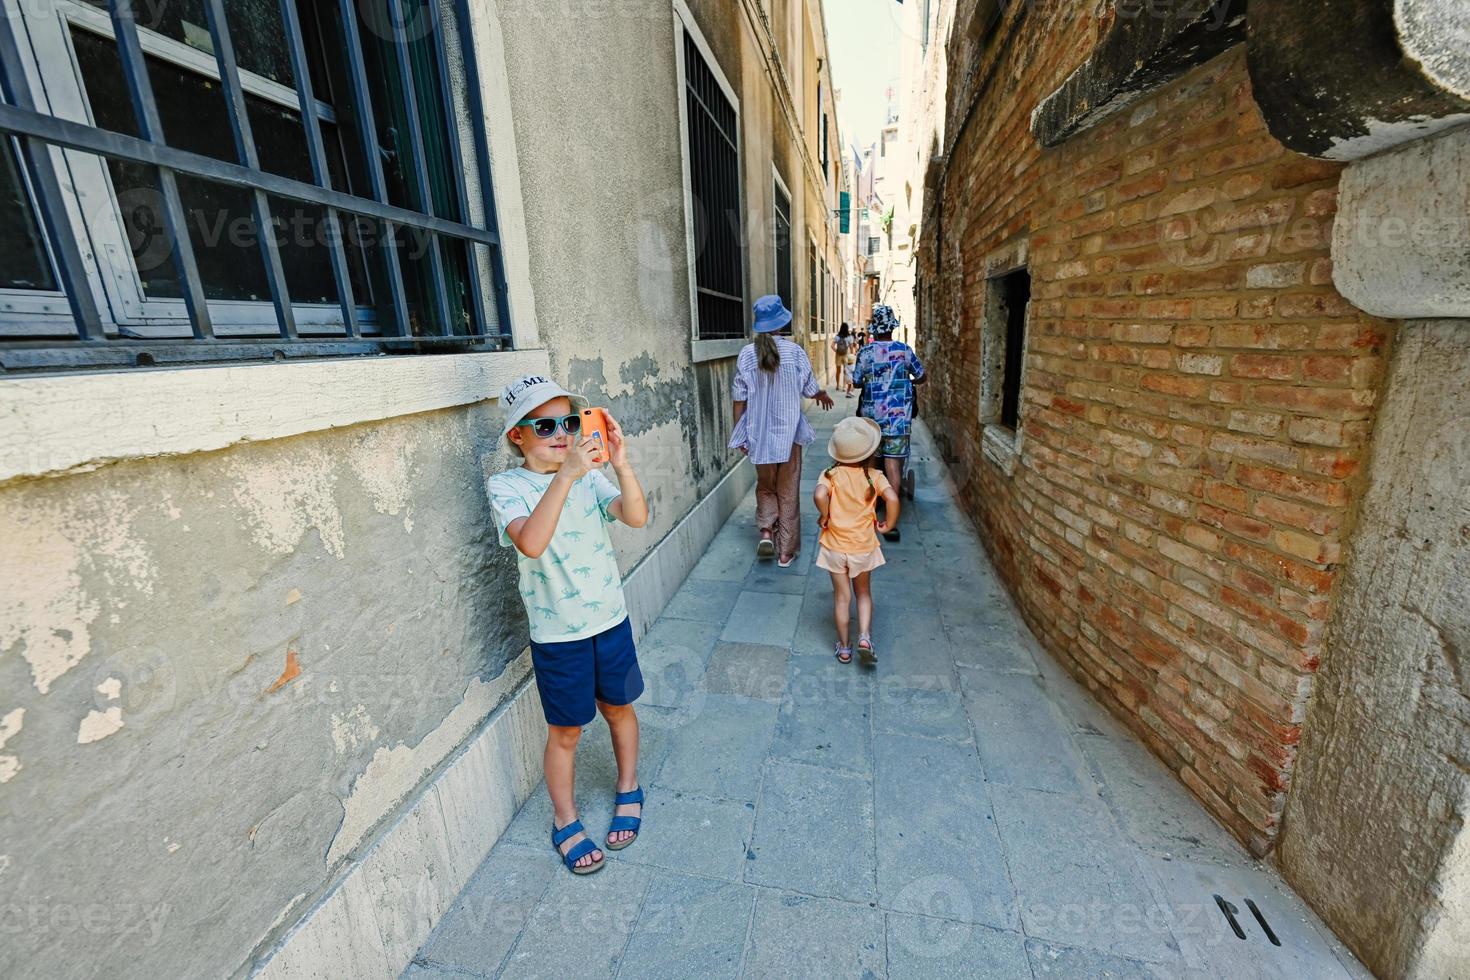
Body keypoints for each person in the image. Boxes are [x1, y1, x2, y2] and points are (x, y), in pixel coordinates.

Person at [487, 375, 650, 876]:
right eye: (546, 425)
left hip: (610, 622)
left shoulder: (590, 476)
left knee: (619, 710)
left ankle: (628, 787)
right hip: (559, 637)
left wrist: (620, 467)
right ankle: (565, 819)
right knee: (567, 732)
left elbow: (637, 518)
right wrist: (565, 477)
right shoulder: (506, 485)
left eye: (571, 421)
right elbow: (531, 543)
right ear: (519, 435)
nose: (563, 433)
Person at [730, 295, 836, 567]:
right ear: (781, 322)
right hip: (789, 436)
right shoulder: (795, 352)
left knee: (766, 486)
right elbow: (810, 388)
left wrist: (739, 433)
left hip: (759, 437)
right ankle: (785, 553)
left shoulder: (745, 355)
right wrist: (820, 395)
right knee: (787, 490)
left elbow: (739, 400)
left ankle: (766, 530)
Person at [814, 416, 898, 665]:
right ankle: (864, 637)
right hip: (862, 546)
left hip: (835, 546)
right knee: (863, 592)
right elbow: (892, 499)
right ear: (869, 451)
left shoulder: (830, 474)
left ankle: (844, 648)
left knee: (841, 597)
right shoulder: (875, 475)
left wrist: (825, 515)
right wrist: (889, 524)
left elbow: (819, 494)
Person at [852, 304, 926, 542]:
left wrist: (873, 380)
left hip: (872, 422)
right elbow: (922, 375)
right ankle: (891, 523)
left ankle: (870, 512)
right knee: (894, 467)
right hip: (898, 421)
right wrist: (905, 381)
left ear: (874, 328)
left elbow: (855, 382)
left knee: (872, 465)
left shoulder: (865, 352)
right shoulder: (904, 351)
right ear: (892, 328)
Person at [831, 322, 856, 397]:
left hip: (838, 355)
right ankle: (844, 387)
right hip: (846, 355)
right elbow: (851, 348)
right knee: (846, 371)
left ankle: (838, 385)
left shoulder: (837, 337)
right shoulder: (849, 337)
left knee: (838, 371)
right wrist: (852, 355)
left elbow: (832, 346)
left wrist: (837, 351)